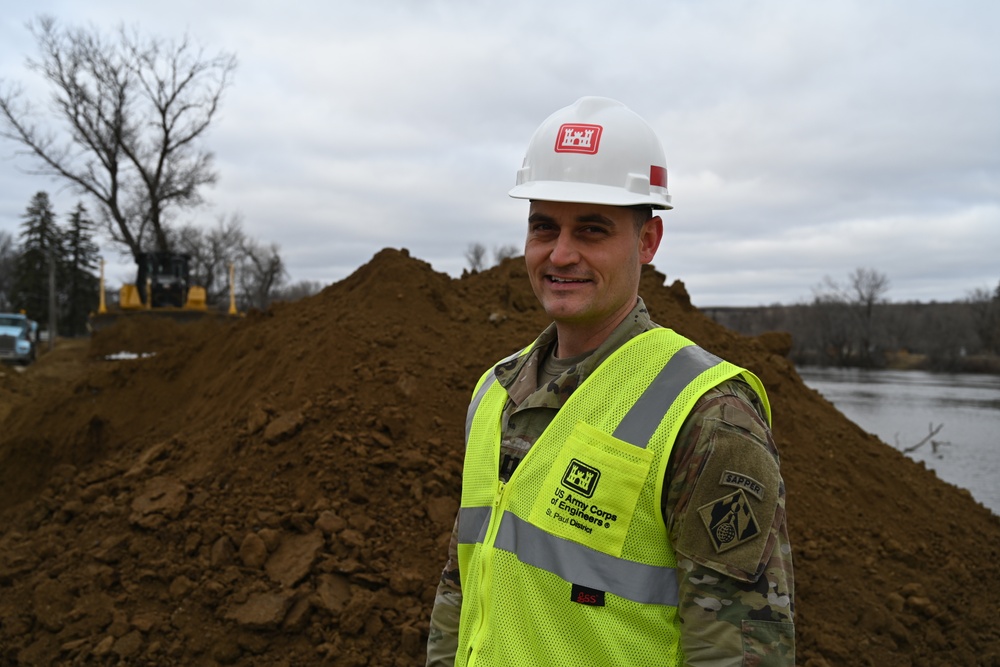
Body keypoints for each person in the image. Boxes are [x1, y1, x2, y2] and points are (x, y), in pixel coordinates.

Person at [427, 97, 794, 666]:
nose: (561, 253)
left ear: (648, 242)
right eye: (544, 227)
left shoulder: (708, 416)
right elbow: (462, 585)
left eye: (592, 230)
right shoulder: (495, 391)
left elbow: (736, 650)